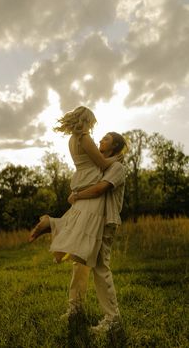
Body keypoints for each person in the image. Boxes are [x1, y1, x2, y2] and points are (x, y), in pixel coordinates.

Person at [29, 130, 127, 333]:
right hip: (90, 220)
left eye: (107, 138)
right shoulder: (99, 166)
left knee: (100, 267)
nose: (101, 139)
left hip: (106, 222)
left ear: (115, 146)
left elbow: (100, 189)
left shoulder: (117, 167)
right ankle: (76, 308)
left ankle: (113, 319)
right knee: (79, 264)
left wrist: (77, 195)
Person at [29, 106, 120, 267]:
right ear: (86, 120)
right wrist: (118, 157)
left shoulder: (72, 139)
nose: (91, 127)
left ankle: (52, 228)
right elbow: (102, 163)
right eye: (91, 123)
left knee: (75, 221)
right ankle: (51, 224)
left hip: (80, 179)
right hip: (90, 179)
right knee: (85, 225)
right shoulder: (84, 137)